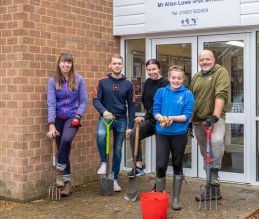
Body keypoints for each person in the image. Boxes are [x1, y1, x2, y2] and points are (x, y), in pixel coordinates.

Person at [189, 49, 230, 201]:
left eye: (207, 59)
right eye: (202, 60)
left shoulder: (220, 72)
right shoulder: (196, 77)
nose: (204, 62)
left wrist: (215, 116)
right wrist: (189, 121)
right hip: (198, 121)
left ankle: (214, 175)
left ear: (213, 60)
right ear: (199, 61)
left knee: (216, 141)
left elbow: (221, 94)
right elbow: (191, 99)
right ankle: (213, 190)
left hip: (215, 119)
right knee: (205, 154)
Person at [153, 66, 194, 210]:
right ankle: (158, 196)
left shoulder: (188, 95)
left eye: (179, 78)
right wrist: (162, 118)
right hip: (163, 133)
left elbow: (186, 116)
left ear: (183, 79)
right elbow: (156, 112)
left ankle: (175, 199)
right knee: (161, 165)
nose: (176, 80)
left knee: (177, 164)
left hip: (179, 135)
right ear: (169, 78)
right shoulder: (161, 92)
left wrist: (172, 118)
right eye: (173, 78)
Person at [47, 53, 88, 197]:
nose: (66, 65)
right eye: (64, 62)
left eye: (69, 63)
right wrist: (51, 124)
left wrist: (78, 115)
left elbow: (83, 100)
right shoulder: (53, 81)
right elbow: (51, 103)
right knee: (63, 149)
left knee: (66, 140)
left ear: (72, 65)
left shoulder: (79, 80)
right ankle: (67, 183)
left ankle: (59, 172)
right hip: (58, 117)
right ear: (59, 64)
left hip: (72, 117)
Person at [93, 54, 135, 192]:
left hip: (121, 120)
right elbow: (96, 100)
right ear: (110, 65)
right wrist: (104, 112)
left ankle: (115, 179)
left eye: (119, 63)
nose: (117, 65)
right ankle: (104, 163)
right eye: (114, 63)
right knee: (100, 135)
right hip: (106, 118)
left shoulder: (128, 83)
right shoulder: (102, 82)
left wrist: (130, 126)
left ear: (122, 66)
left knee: (117, 150)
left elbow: (132, 105)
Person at [125, 59, 169, 177]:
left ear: (159, 69)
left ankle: (160, 175)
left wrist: (145, 117)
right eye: (149, 70)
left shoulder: (165, 83)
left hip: (162, 121)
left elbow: (159, 103)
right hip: (151, 119)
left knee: (161, 148)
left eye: (154, 69)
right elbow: (145, 100)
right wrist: (147, 116)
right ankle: (138, 167)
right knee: (134, 134)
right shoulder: (148, 82)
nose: (151, 72)